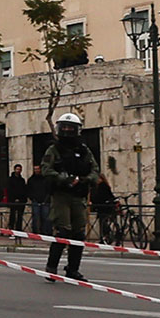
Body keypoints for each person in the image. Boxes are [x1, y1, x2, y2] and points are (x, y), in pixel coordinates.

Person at [40, 112, 100, 282]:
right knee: (63, 231)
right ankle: (52, 267)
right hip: (61, 195)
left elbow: (95, 170)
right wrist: (64, 179)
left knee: (79, 233)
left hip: (78, 195)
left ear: (77, 130)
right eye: (64, 127)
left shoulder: (84, 150)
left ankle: (73, 269)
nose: (67, 130)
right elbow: (46, 169)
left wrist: (84, 180)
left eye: (70, 128)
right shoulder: (54, 149)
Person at [91, 172, 120, 244]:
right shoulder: (105, 186)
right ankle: (110, 237)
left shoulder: (101, 186)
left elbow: (99, 197)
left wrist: (93, 203)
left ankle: (105, 237)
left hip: (103, 207)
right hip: (107, 207)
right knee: (107, 222)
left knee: (103, 223)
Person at [27, 164, 51, 234]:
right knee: (36, 217)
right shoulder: (31, 180)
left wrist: (46, 199)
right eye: (35, 169)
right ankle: (35, 232)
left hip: (45, 201)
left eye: (38, 169)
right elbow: (29, 190)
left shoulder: (45, 179)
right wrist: (33, 198)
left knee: (45, 217)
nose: (36, 170)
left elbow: (49, 190)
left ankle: (44, 231)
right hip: (35, 201)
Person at [6, 163, 29, 232]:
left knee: (20, 216)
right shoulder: (10, 180)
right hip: (13, 200)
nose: (18, 171)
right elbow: (10, 190)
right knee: (12, 215)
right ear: (14, 170)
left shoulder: (22, 180)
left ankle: (19, 230)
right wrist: (14, 198)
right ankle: (11, 229)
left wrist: (22, 199)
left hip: (21, 201)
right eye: (17, 169)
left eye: (19, 169)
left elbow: (24, 190)